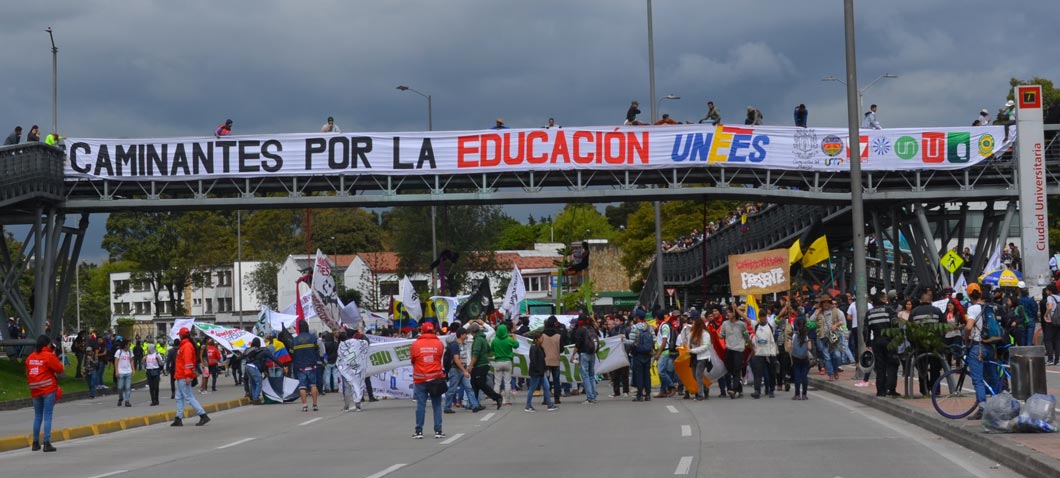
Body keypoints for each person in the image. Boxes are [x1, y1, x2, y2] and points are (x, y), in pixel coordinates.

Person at [26, 335, 63, 452]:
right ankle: (47, 443)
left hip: (35, 389)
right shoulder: (49, 356)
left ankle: (35, 443)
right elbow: (60, 369)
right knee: (47, 416)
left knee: (37, 416)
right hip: (47, 389)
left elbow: (27, 370)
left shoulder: (30, 357)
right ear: (47, 344)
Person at [964, 290, 997, 420]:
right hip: (990, 346)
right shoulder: (989, 308)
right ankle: (996, 405)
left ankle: (982, 408)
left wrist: (965, 337)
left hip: (977, 348)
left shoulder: (973, 308)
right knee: (992, 377)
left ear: (971, 297)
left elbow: (968, 327)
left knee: (977, 380)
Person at [410, 322, 446, 439]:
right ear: (433, 331)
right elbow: (439, 357)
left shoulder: (416, 344)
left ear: (422, 331)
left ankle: (419, 431)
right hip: (436, 378)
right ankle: (438, 430)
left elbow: (413, 360)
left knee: (421, 405)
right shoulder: (439, 344)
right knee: (437, 405)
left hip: (420, 379)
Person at [172, 328, 210, 426]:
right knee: (179, 397)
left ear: (180, 336)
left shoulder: (186, 346)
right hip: (181, 375)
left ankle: (203, 415)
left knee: (188, 397)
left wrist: (188, 375)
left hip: (184, 376)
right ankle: (178, 418)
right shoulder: (185, 345)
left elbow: (188, 362)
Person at [864, 292, 899, 397]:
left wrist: (868, 343)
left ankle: (880, 391)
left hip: (877, 341)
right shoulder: (889, 310)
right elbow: (895, 324)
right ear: (881, 299)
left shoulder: (869, 313)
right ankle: (891, 389)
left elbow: (865, 330)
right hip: (889, 341)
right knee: (892, 364)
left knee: (880, 367)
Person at [909, 291, 944, 396]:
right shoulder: (937, 311)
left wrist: (913, 344)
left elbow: (910, 330)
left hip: (920, 344)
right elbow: (943, 327)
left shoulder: (914, 312)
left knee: (922, 367)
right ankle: (935, 389)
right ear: (931, 300)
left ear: (920, 300)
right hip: (935, 343)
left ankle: (924, 389)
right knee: (935, 368)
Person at [444, 328, 481, 413]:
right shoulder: (455, 345)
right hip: (455, 370)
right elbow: (456, 359)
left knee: (469, 387)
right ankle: (447, 407)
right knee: (452, 389)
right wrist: (464, 371)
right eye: (465, 334)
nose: (467, 336)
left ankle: (475, 405)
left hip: (462, 369)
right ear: (461, 335)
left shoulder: (463, 344)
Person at [468, 322, 504, 409]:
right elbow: (489, 349)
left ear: (473, 331)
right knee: (475, 384)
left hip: (480, 365)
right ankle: (475, 403)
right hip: (483, 364)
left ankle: (497, 397)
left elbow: (475, 354)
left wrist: (471, 365)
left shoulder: (478, 340)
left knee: (481, 384)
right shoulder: (483, 338)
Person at [811, 294, 846, 381]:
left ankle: (835, 370)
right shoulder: (818, 312)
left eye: (827, 302)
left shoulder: (837, 311)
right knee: (827, 356)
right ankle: (830, 373)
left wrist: (836, 325)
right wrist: (816, 312)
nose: (826, 304)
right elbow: (810, 321)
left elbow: (843, 322)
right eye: (824, 303)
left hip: (834, 337)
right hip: (822, 337)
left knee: (837, 355)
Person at [337, 328, 370, 412]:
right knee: (358, 385)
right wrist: (361, 334)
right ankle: (358, 405)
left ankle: (346, 406)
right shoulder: (360, 342)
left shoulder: (343, 344)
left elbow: (340, 355)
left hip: (346, 368)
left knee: (347, 387)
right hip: (358, 367)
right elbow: (367, 342)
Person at [291, 320, 320, 412]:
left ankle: (304, 405)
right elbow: (317, 350)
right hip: (312, 365)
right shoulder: (313, 338)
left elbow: (292, 353)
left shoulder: (295, 340)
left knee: (302, 386)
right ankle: (315, 405)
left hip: (300, 366)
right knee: (313, 385)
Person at [721, 307, 749, 398]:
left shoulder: (742, 324)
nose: (727, 314)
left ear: (734, 313)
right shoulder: (725, 324)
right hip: (729, 349)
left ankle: (733, 389)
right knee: (730, 369)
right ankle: (739, 388)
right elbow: (721, 335)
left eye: (729, 312)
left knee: (737, 370)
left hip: (739, 350)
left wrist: (747, 343)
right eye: (727, 312)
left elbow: (746, 335)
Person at [525, 333, 557, 412]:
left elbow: (542, 359)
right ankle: (528, 405)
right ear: (537, 339)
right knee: (532, 388)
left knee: (546, 387)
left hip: (541, 371)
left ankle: (549, 404)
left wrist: (545, 368)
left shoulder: (539, 347)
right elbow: (534, 360)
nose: (542, 340)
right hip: (536, 372)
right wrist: (538, 370)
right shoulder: (534, 348)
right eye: (541, 338)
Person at [572, 314, 600, 404]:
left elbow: (577, 344)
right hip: (592, 353)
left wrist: (573, 355)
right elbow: (597, 330)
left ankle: (590, 398)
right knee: (592, 376)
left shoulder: (580, 330)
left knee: (585, 376)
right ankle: (593, 396)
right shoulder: (591, 328)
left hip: (583, 354)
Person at [750, 312, 777, 398]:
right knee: (758, 373)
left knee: (771, 373)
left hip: (770, 353)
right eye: (760, 317)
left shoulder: (771, 323)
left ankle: (771, 390)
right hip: (759, 353)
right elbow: (745, 318)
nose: (762, 319)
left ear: (766, 317)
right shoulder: (755, 324)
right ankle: (757, 390)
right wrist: (736, 309)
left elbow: (779, 316)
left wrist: (786, 306)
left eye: (763, 316)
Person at [686, 314, 713, 400]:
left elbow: (705, 346)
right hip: (694, 357)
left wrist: (693, 350)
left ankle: (700, 394)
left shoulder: (705, 334)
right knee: (694, 375)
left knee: (699, 375)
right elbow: (687, 342)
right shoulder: (692, 333)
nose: (693, 325)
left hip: (703, 357)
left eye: (694, 324)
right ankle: (705, 388)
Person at [491, 323, 518, 405]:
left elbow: (491, 348)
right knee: (507, 382)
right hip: (508, 361)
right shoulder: (509, 339)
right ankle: (507, 400)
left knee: (497, 382)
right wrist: (514, 338)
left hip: (498, 361)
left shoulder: (495, 340)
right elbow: (517, 345)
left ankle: (496, 399)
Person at [653, 311, 678, 398]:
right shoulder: (661, 325)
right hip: (661, 351)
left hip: (664, 352)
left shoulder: (664, 326)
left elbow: (664, 341)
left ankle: (672, 386)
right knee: (664, 371)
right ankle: (662, 391)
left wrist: (658, 353)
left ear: (656, 317)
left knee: (661, 372)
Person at [786, 317, 812, 400]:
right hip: (804, 358)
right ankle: (804, 395)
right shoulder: (807, 335)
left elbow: (789, 347)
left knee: (797, 375)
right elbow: (810, 347)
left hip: (795, 357)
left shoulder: (793, 335)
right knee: (804, 376)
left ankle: (797, 395)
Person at [542, 316, 565, 405]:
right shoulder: (558, 336)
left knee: (546, 381)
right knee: (556, 380)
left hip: (545, 361)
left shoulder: (542, 336)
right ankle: (557, 398)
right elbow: (562, 349)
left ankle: (546, 398)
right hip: (555, 360)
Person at [114, 339, 135, 407]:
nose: (130, 346)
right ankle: (120, 398)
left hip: (128, 371)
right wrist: (117, 371)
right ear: (125, 345)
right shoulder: (119, 352)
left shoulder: (130, 352)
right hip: (121, 372)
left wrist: (133, 369)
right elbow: (116, 361)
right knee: (120, 387)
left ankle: (127, 401)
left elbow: (131, 360)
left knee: (128, 387)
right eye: (129, 344)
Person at [1044, 284, 1060, 365]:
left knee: (1048, 339)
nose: (1046, 291)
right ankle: (1058, 360)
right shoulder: (1059, 297)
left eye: (1047, 290)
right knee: (1057, 340)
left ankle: (1050, 359)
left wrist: (1045, 314)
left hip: (1051, 321)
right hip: (1058, 321)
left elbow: (1050, 307)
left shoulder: (1050, 297)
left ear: (1050, 291)